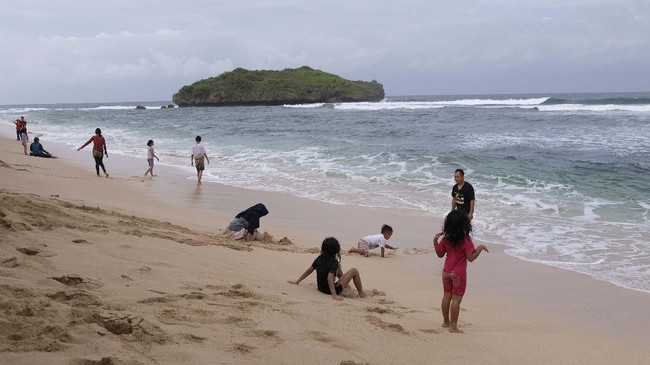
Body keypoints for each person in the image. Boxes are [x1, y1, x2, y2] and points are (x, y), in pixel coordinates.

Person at [433, 210, 488, 333]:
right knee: (456, 299)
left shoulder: (446, 240)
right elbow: (471, 258)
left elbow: (440, 254)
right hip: (458, 273)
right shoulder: (465, 240)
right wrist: (479, 248)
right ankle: (453, 326)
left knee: (446, 296)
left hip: (446, 272)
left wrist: (435, 242)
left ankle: (445, 321)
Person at [289, 237, 367, 301]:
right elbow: (330, 277)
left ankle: (345, 285)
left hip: (320, 288)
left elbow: (309, 270)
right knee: (354, 270)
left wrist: (298, 281)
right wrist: (334, 294)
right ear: (336, 250)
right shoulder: (334, 262)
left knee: (338, 267)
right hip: (330, 290)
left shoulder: (319, 258)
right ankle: (361, 293)